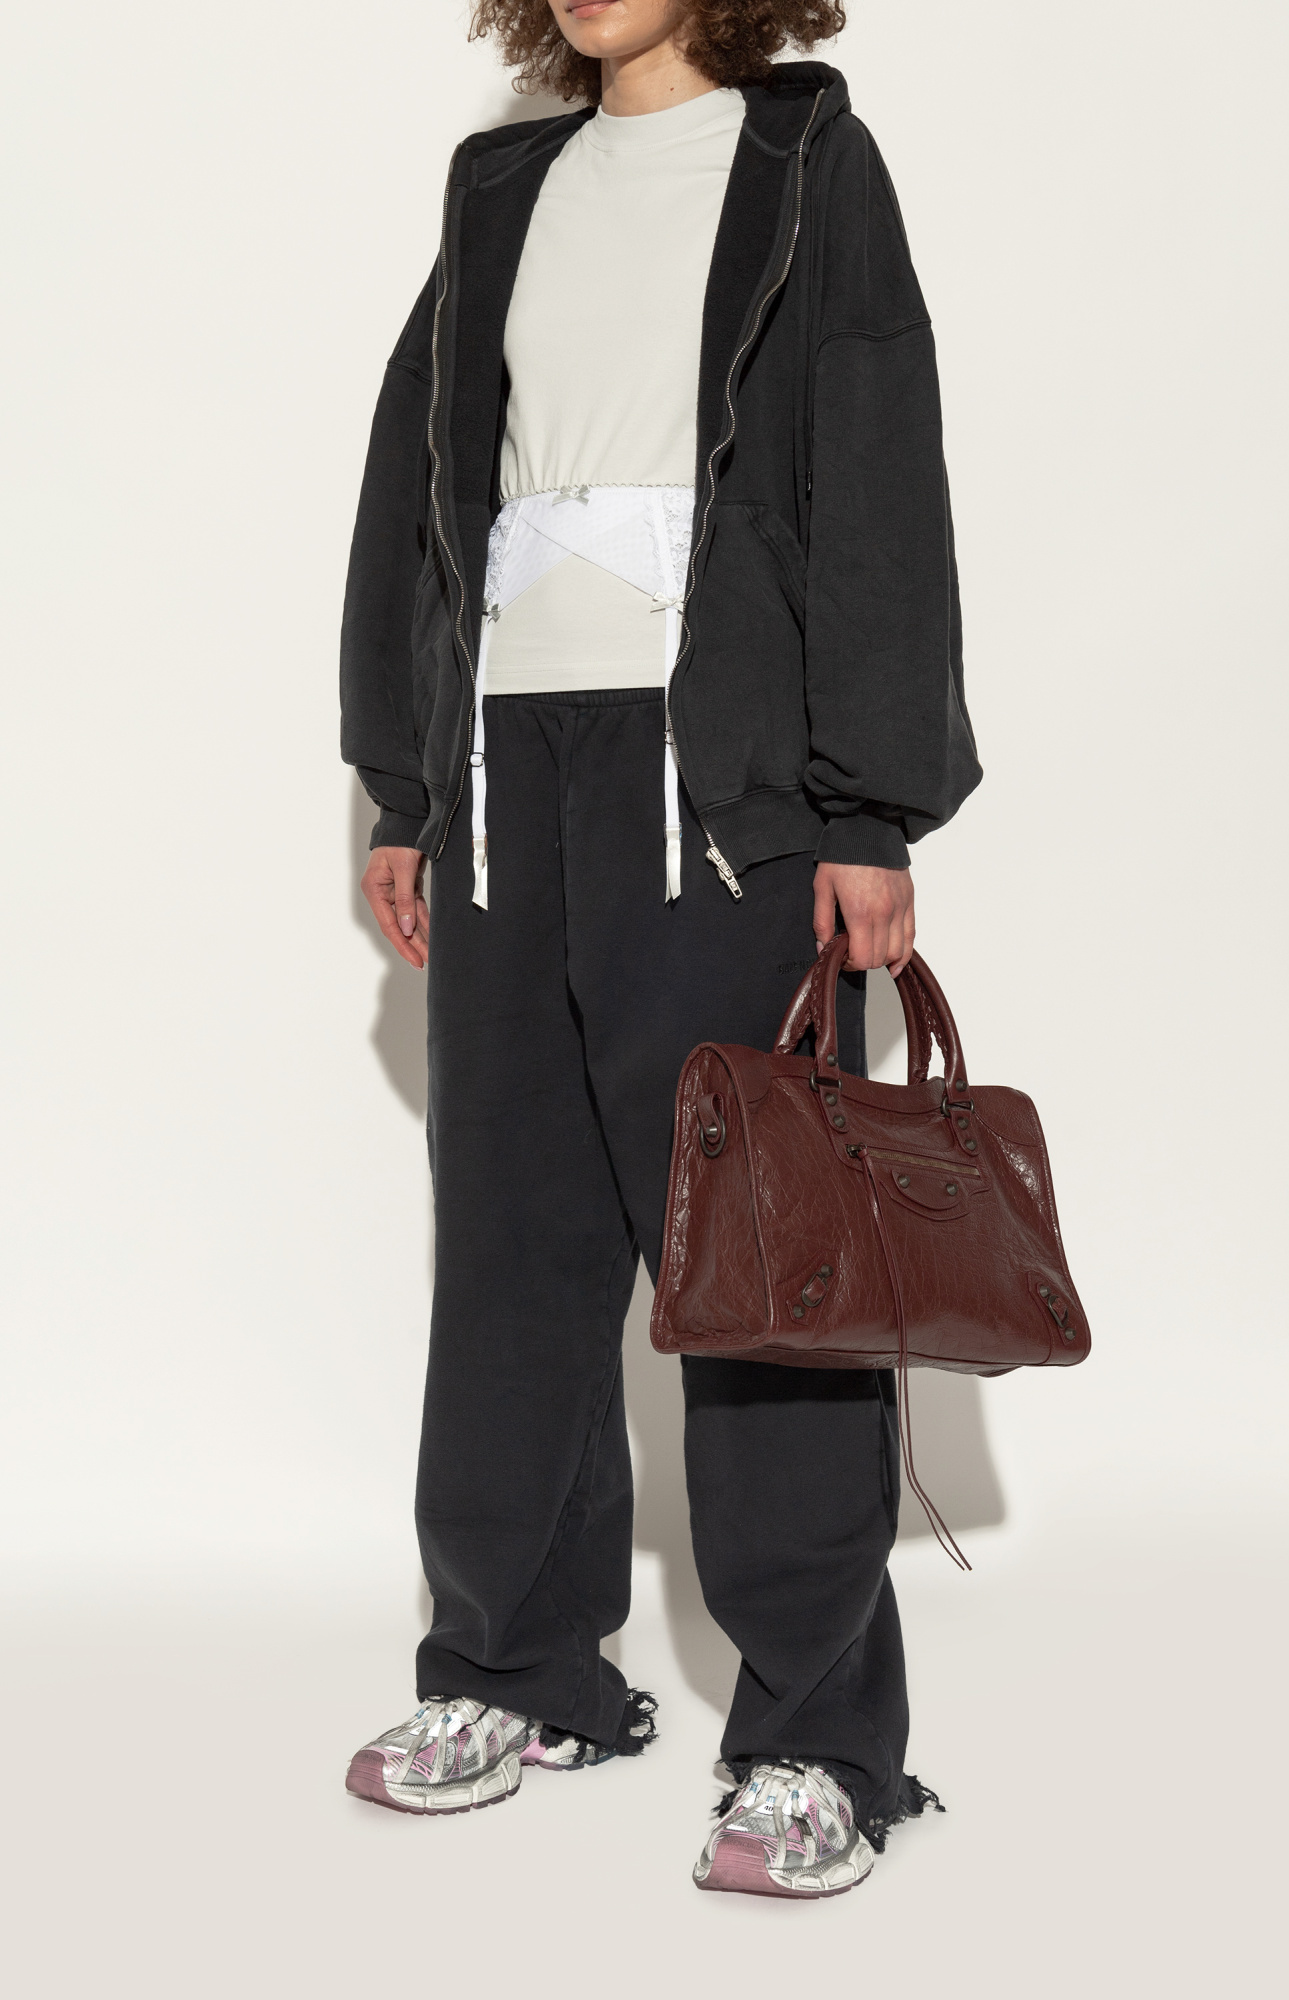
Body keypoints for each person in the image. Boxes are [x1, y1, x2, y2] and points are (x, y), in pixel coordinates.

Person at [339, 0, 980, 1900]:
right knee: (515, 1248)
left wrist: (862, 809)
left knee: (760, 1265)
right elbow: (412, 485)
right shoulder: (501, 183)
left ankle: (815, 1744)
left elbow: (877, 469)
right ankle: (516, 1668)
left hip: (719, 789)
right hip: (502, 775)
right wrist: (405, 784)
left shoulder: (802, 163)